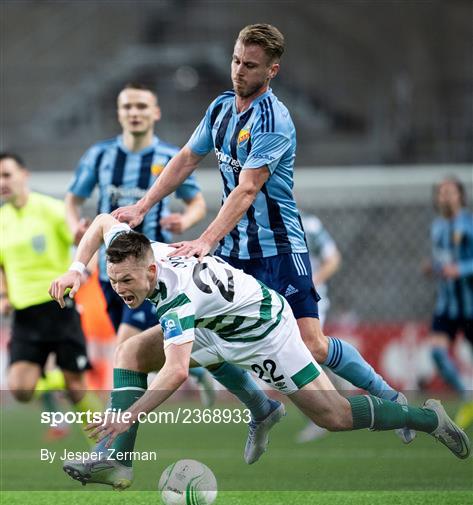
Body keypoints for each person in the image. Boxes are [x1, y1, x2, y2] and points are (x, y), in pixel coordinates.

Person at [112, 24, 414, 444]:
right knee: (205, 330)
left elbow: (248, 188)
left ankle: (391, 399)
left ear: (272, 70)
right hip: (236, 250)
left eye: (250, 65)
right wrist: (143, 206)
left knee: (314, 345)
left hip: (279, 249)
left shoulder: (275, 120)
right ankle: (262, 408)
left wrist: (206, 240)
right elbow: (184, 158)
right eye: (236, 60)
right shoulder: (219, 109)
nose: (238, 71)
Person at [49, 214, 470, 490]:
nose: (119, 290)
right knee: (132, 351)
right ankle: (117, 461)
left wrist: (128, 413)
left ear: (152, 270)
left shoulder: (177, 301)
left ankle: (428, 417)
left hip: (266, 332)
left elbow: (176, 373)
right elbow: (104, 222)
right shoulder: (139, 250)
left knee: (335, 416)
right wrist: (76, 269)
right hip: (218, 322)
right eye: (113, 280)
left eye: (126, 281)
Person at [65, 82, 215, 404]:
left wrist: (185, 221)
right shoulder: (100, 154)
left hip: (153, 273)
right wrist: (74, 225)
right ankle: (200, 365)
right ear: (119, 113)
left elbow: (198, 204)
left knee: (126, 348)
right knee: (143, 350)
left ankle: (115, 435)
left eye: (142, 106)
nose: (135, 113)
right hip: (111, 275)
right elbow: (72, 200)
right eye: (128, 107)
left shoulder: (168, 156)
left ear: (155, 112)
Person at [0, 152, 101, 436]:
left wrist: (85, 272)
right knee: (20, 389)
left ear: (24, 175)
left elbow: (87, 240)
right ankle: (56, 381)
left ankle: (106, 450)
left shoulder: (52, 209)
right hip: (24, 314)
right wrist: (4, 296)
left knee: (76, 386)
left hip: (59, 306)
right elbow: (2, 265)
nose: (2, 182)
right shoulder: (1, 220)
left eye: (7, 174)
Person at [424, 176, 473, 429]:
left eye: (449, 191)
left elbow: (461, 263)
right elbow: (443, 260)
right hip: (447, 305)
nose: (444, 196)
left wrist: (461, 269)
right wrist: (433, 267)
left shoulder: (470, 224)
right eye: (440, 192)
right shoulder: (437, 227)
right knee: (436, 352)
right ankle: (469, 397)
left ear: (460, 196)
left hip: (470, 305)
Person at [296, 214, 341, 443]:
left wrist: (312, 282)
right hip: (282, 302)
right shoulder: (261, 227)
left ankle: (322, 414)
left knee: (309, 349)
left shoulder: (309, 226)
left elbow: (332, 259)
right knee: (308, 353)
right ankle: (340, 381)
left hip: (311, 299)